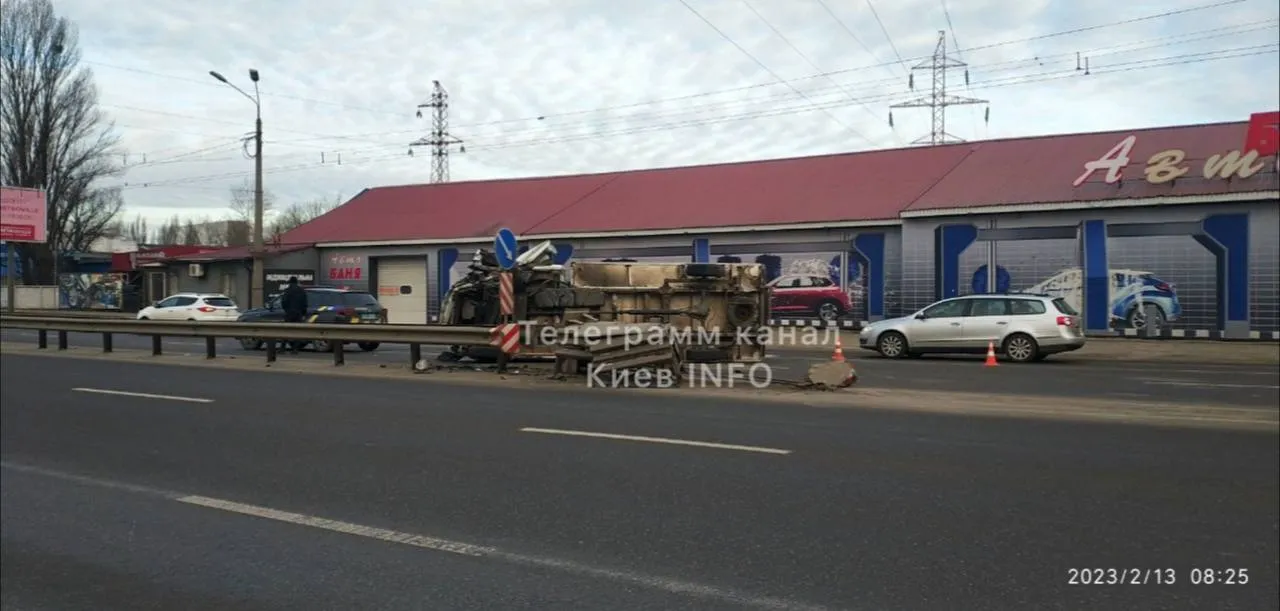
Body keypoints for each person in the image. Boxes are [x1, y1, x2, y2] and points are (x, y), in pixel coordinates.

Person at [279, 276, 309, 354]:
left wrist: (286, 310)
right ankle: (295, 349)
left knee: (285, 331)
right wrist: (303, 313)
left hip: (289, 313)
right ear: (297, 282)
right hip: (298, 313)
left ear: (290, 282)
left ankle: (282, 348)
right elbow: (305, 304)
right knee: (297, 331)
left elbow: (284, 302)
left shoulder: (287, 290)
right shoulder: (301, 291)